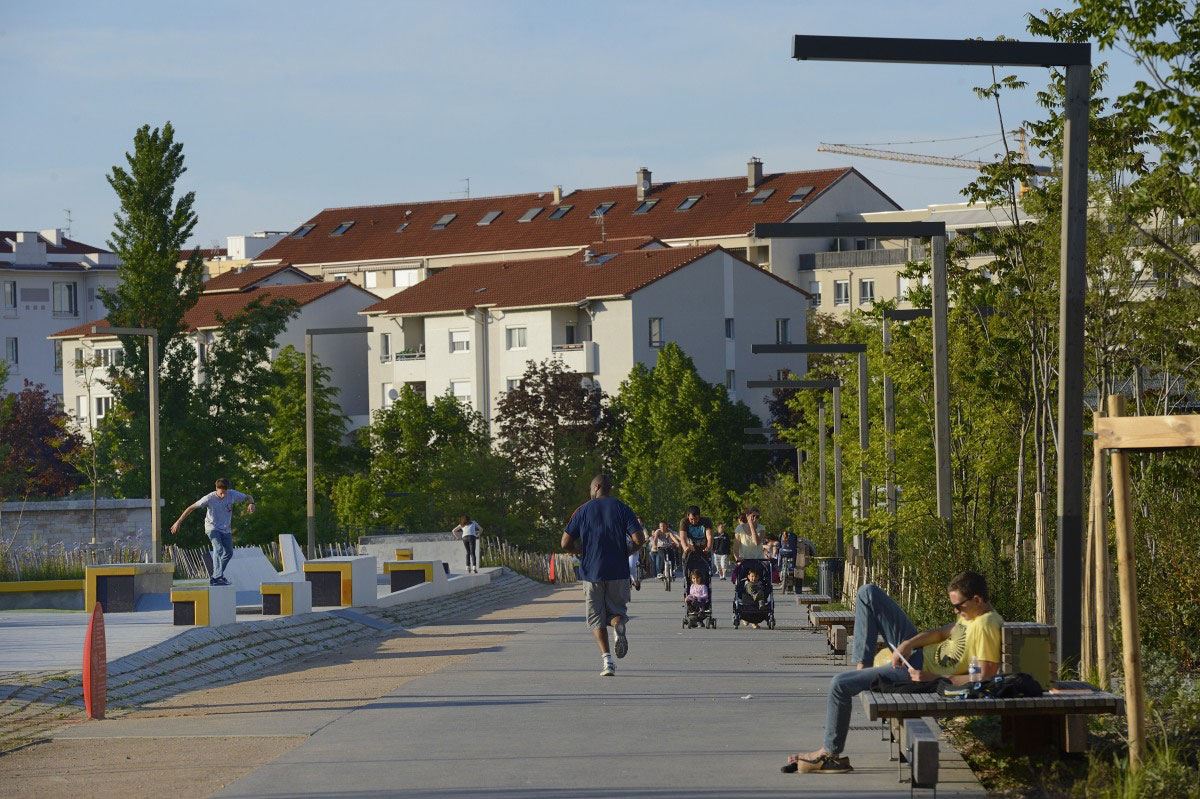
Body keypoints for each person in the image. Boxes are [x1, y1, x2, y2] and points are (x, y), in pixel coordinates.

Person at [784, 571, 1004, 775]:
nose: (956, 611)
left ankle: (829, 754)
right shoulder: (970, 616)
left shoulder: (987, 625)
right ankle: (863, 669)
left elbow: (984, 678)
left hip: (917, 674)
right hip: (915, 657)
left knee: (839, 684)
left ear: (977, 599)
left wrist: (934, 678)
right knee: (867, 592)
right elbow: (939, 633)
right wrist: (908, 644)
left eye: (959, 606)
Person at [562, 474, 645, 677]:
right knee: (616, 612)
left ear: (597, 487)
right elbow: (639, 539)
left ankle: (608, 661)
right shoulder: (622, 508)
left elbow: (565, 543)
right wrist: (626, 551)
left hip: (592, 572)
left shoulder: (582, 510)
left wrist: (582, 552)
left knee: (596, 617)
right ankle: (618, 626)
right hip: (618, 571)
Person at [169, 478, 256, 587]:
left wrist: (251, 503)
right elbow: (191, 508)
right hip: (212, 528)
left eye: (225, 493)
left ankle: (216, 576)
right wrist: (178, 522)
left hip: (226, 529)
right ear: (216, 489)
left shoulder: (232, 494)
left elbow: (248, 496)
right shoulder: (209, 498)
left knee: (229, 552)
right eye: (221, 493)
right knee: (219, 548)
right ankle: (218, 577)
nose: (223, 496)